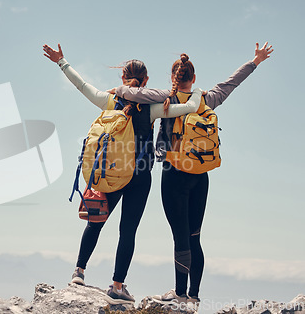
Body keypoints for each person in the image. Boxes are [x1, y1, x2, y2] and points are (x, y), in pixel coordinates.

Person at [113, 42, 274, 305]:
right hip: (201, 175)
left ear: (173, 78)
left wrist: (118, 88)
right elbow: (232, 83)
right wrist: (255, 61)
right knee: (194, 237)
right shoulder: (207, 99)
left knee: (180, 236)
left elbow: (130, 94)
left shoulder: (165, 98)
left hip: (174, 172)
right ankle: (194, 297)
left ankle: (179, 293)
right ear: (194, 78)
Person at [43, 43, 204, 305]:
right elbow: (188, 108)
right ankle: (117, 285)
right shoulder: (153, 108)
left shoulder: (110, 100)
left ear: (122, 78)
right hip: (139, 177)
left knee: (95, 222)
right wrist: (194, 94)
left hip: (111, 173)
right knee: (127, 231)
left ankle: (79, 272)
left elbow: (82, 86)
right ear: (147, 80)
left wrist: (62, 62)